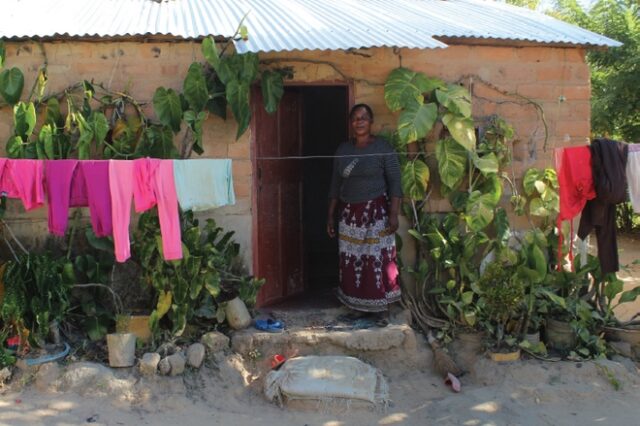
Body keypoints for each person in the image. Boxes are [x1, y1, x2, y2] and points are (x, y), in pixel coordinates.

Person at [327, 103, 402, 316]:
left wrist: (394, 214)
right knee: (352, 260)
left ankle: (380, 308)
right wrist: (330, 215)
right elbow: (335, 185)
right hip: (349, 216)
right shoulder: (343, 150)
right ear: (351, 123)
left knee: (376, 260)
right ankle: (356, 305)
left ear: (371, 122)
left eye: (363, 117)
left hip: (376, 214)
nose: (359, 122)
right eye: (355, 118)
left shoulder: (383, 148)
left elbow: (395, 182)